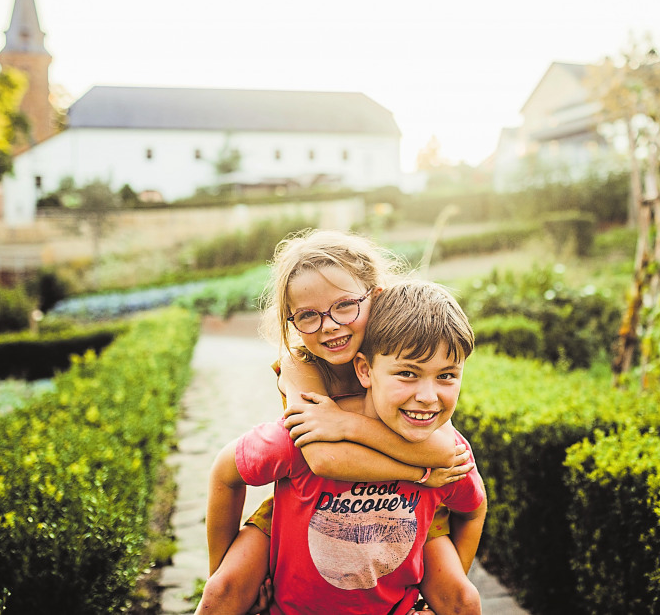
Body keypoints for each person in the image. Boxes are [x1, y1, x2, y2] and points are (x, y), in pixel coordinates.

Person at [199, 231, 481, 614]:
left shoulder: (404, 349)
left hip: (408, 509)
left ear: (375, 297)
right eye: (308, 316)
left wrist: (345, 424)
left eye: (345, 305)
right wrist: (419, 473)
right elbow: (322, 460)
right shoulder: (301, 367)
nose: (330, 325)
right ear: (292, 321)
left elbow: (443, 451)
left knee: (461, 599)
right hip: (308, 499)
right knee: (223, 592)